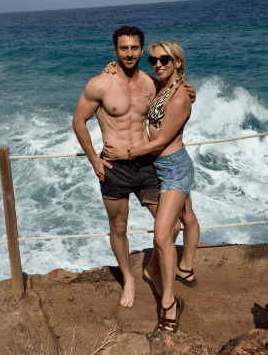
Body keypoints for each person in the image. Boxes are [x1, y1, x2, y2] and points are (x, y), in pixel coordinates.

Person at [72, 26, 197, 310]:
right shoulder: (99, 84)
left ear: (142, 50)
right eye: (123, 48)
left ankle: (152, 268)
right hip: (114, 168)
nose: (130, 53)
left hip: (147, 164)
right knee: (119, 227)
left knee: (172, 225)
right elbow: (78, 121)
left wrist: (191, 91)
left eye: (135, 48)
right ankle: (128, 278)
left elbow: (177, 95)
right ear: (115, 50)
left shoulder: (152, 83)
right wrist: (93, 159)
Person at [103, 40, 198, 333]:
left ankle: (169, 302)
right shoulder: (164, 86)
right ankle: (175, 269)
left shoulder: (180, 96)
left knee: (162, 235)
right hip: (157, 167)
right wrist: (113, 68)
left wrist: (124, 155)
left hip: (174, 168)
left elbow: (159, 141)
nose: (158, 64)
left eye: (165, 60)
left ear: (178, 62)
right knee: (182, 222)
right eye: (154, 60)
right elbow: (132, 90)